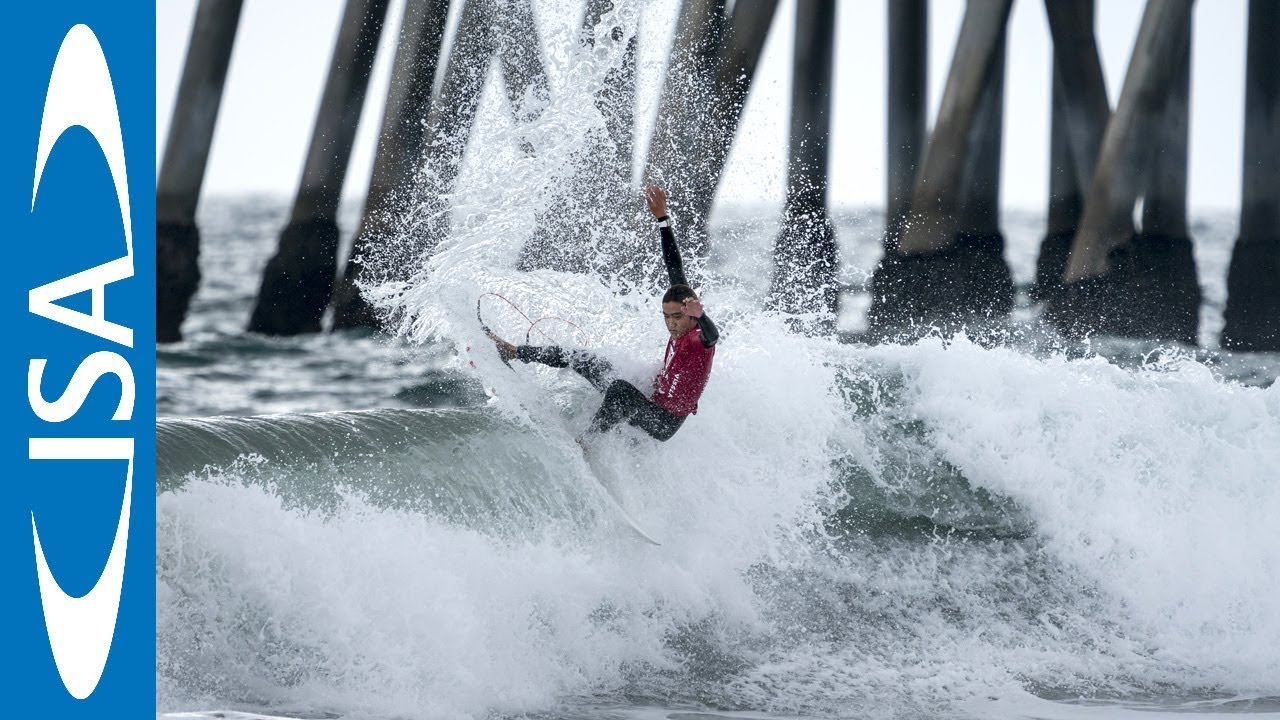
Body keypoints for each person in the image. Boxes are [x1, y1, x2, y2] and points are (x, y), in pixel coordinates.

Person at [488, 185, 719, 442]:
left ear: (691, 316)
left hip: (664, 421)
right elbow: (674, 266)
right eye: (667, 317)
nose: (671, 324)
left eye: (677, 318)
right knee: (583, 358)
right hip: (651, 400)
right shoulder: (682, 306)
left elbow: (712, 337)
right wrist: (663, 220)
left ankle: (587, 442)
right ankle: (514, 352)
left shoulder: (698, 338)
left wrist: (702, 316)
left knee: (620, 390)